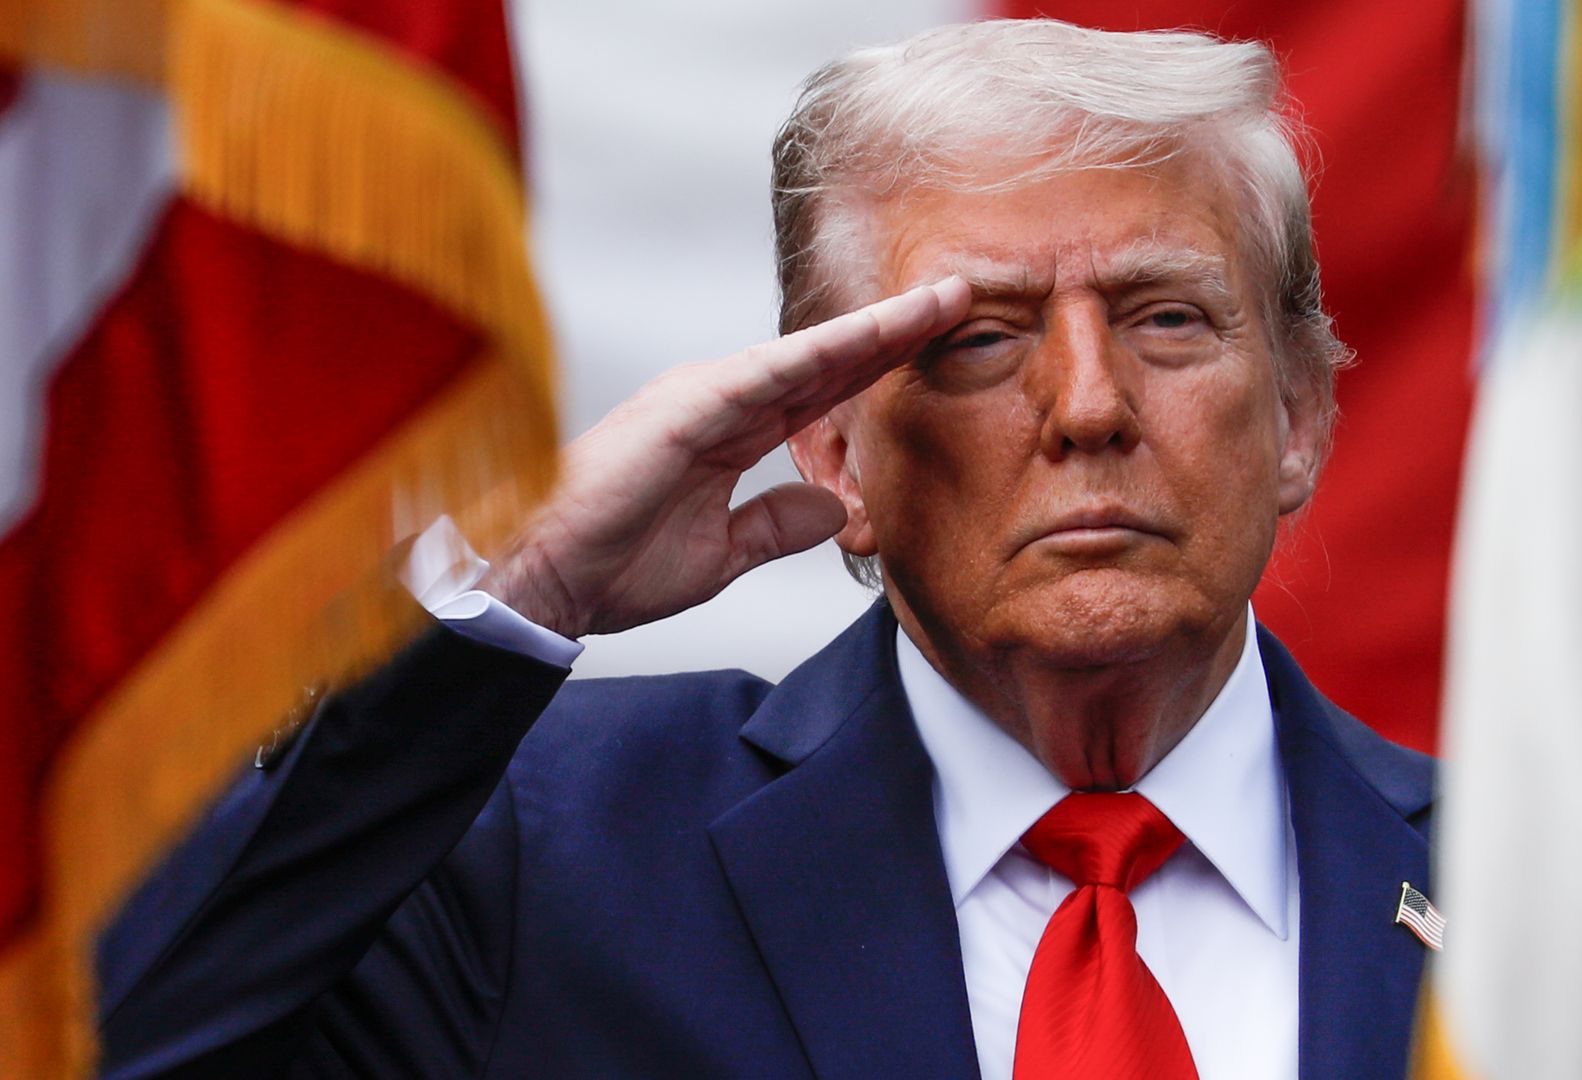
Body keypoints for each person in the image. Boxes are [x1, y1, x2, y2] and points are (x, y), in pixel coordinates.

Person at [95, 20, 1435, 1080]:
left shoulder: (1530, 884)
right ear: (834, 448)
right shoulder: (538, 854)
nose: (1088, 406)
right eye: (976, 339)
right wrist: (515, 594)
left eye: (1166, 321)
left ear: (1301, 418)